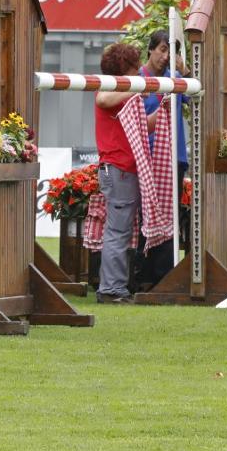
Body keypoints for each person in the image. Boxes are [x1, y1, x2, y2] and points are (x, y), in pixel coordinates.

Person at [136, 30, 190, 288]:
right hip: (145, 157)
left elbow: (198, 95)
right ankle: (142, 276)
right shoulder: (137, 79)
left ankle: (163, 277)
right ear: (150, 50)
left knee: (170, 217)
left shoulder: (178, 79)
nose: (166, 57)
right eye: (162, 50)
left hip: (175, 158)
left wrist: (186, 71)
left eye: (172, 52)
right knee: (145, 217)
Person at [94, 42, 146, 304]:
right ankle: (111, 289)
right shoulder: (109, 86)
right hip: (118, 168)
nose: (138, 74)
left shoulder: (122, 91)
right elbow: (102, 99)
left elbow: (142, 124)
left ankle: (114, 286)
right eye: (135, 69)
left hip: (122, 168)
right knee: (118, 231)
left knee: (122, 230)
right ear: (124, 69)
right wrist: (134, 89)